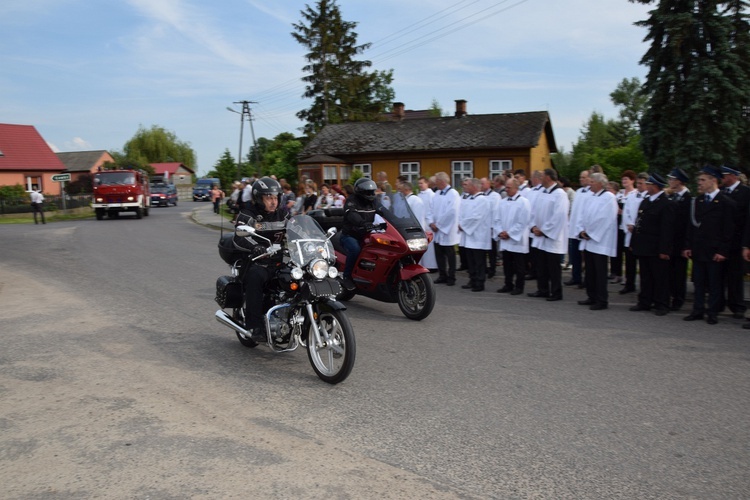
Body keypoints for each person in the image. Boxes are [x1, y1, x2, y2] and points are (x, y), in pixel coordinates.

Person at [233, 177, 288, 340]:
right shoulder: (247, 214)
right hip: (256, 261)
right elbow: (239, 237)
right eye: (269, 198)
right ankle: (254, 326)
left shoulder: (283, 214)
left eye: (276, 197)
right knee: (255, 278)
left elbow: (297, 230)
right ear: (259, 198)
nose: (273, 201)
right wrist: (255, 247)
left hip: (278, 261)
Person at [683, 166, 736, 325]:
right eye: (699, 180)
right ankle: (698, 310)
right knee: (698, 282)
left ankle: (712, 312)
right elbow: (691, 226)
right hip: (699, 249)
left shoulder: (726, 202)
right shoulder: (698, 201)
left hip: (715, 251)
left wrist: (723, 251)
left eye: (703, 180)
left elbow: (729, 230)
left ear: (714, 180)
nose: (699, 183)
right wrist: (688, 246)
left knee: (714, 283)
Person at [629, 173, 676, 315]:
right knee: (645, 276)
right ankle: (645, 301)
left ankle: (662, 304)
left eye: (648, 184)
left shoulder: (666, 203)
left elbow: (667, 229)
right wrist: (633, 242)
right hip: (643, 245)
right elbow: (639, 223)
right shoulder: (646, 201)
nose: (646, 186)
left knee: (660, 277)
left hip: (656, 247)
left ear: (655, 186)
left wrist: (664, 250)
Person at [576, 172, 619, 310]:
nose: (590, 184)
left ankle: (601, 300)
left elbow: (605, 218)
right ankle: (591, 296)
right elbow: (583, 215)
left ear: (601, 183)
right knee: (590, 271)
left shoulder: (609, 197)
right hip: (589, 240)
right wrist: (582, 230)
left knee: (600, 272)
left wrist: (590, 233)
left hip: (600, 241)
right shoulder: (591, 197)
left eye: (592, 182)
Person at [528, 168, 570, 301]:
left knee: (553, 268)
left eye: (543, 176)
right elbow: (533, 211)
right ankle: (543, 289)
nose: (540, 179)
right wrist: (533, 226)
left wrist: (544, 230)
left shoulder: (560, 194)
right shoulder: (542, 192)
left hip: (552, 237)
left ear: (549, 178)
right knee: (541, 266)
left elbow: (559, 216)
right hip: (540, 236)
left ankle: (556, 292)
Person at [719, 165, 750, 319]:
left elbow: (747, 221)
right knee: (720, 274)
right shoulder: (722, 192)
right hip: (722, 241)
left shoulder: (745, 192)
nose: (722, 179)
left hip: (737, 241)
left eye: (724, 175)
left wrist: (746, 244)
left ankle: (737, 306)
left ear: (732, 176)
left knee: (735, 275)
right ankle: (720, 303)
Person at [494, 178, 531, 295]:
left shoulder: (523, 202)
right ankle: (508, 284)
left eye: (509, 187)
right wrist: (500, 231)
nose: (506, 189)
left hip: (516, 239)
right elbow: (497, 219)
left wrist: (509, 233)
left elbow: (523, 221)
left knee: (519, 266)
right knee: (507, 264)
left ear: (516, 188)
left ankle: (519, 287)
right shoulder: (503, 202)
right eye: (506, 187)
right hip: (505, 239)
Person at [340, 178, 378, 288]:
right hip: (350, 235)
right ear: (361, 192)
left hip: (367, 234)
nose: (371, 194)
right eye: (368, 192)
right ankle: (347, 276)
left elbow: (383, 210)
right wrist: (362, 223)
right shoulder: (351, 200)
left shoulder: (373, 201)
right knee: (355, 249)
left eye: (372, 192)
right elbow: (352, 214)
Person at [458, 178, 492, 292]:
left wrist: (463, 225)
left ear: (474, 187)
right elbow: (462, 213)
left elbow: (476, 217)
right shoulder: (469, 199)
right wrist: (461, 223)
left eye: (468, 185)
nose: (465, 187)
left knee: (479, 262)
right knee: (471, 261)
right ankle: (472, 280)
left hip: (478, 236)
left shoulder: (482, 200)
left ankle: (479, 282)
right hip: (469, 235)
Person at [429, 172, 461, 286]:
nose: (435, 183)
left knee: (450, 254)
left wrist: (439, 225)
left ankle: (451, 276)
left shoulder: (453, 194)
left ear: (442, 182)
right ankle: (442, 274)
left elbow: (451, 212)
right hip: (436, 229)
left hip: (447, 229)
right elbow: (431, 209)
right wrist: (431, 222)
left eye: (436, 181)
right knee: (439, 253)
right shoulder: (437, 193)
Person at [666, 167, 692, 311]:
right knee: (670, 273)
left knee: (679, 274)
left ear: (679, 181)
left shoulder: (688, 198)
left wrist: (686, 245)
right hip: (671, 242)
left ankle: (678, 299)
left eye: (672, 179)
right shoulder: (672, 196)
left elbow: (688, 224)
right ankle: (671, 296)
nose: (670, 181)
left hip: (681, 242)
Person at [620, 172, 649, 294]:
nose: (639, 185)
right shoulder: (632, 196)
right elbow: (625, 212)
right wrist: (629, 224)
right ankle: (629, 284)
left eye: (642, 183)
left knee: (643, 265)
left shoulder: (649, 197)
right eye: (638, 183)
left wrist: (636, 225)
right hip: (630, 232)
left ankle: (645, 287)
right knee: (629, 262)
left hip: (642, 233)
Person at [565, 170, 591, 287]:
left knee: (586, 257)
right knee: (575, 255)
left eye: (584, 177)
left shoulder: (592, 193)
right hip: (575, 228)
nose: (581, 179)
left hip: (584, 230)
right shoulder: (579, 192)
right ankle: (576, 277)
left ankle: (587, 279)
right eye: (580, 177)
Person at [481, 177, 501, 278]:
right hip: (482, 228)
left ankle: (492, 269)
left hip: (490, 228)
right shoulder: (480, 196)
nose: (481, 185)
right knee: (483, 251)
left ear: (489, 184)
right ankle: (484, 268)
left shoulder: (495, 196)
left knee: (492, 251)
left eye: (483, 183)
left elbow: (496, 212)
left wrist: (493, 227)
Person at [417, 176, 437, 270]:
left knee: (430, 246)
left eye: (422, 183)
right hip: (421, 221)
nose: (420, 185)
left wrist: (430, 221)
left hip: (429, 222)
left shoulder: (432, 195)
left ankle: (432, 265)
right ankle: (424, 264)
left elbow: (433, 209)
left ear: (427, 183)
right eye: (419, 183)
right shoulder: (419, 195)